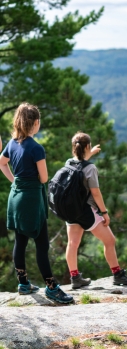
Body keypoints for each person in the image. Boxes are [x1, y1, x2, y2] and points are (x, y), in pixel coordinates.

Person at [0, 103, 73, 304]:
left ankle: (23, 283)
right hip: (32, 200)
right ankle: (51, 287)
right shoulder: (36, 148)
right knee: (41, 245)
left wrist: (14, 179)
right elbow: (43, 178)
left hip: (16, 198)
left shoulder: (12, 143)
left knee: (20, 242)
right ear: (35, 123)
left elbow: (1, 162)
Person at [66, 131, 127, 289]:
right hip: (86, 211)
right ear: (87, 146)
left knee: (72, 243)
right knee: (110, 240)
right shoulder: (90, 168)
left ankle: (75, 278)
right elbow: (96, 193)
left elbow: (80, 164)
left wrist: (88, 154)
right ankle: (117, 274)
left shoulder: (69, 162)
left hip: (70, 210)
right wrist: (104, 213)